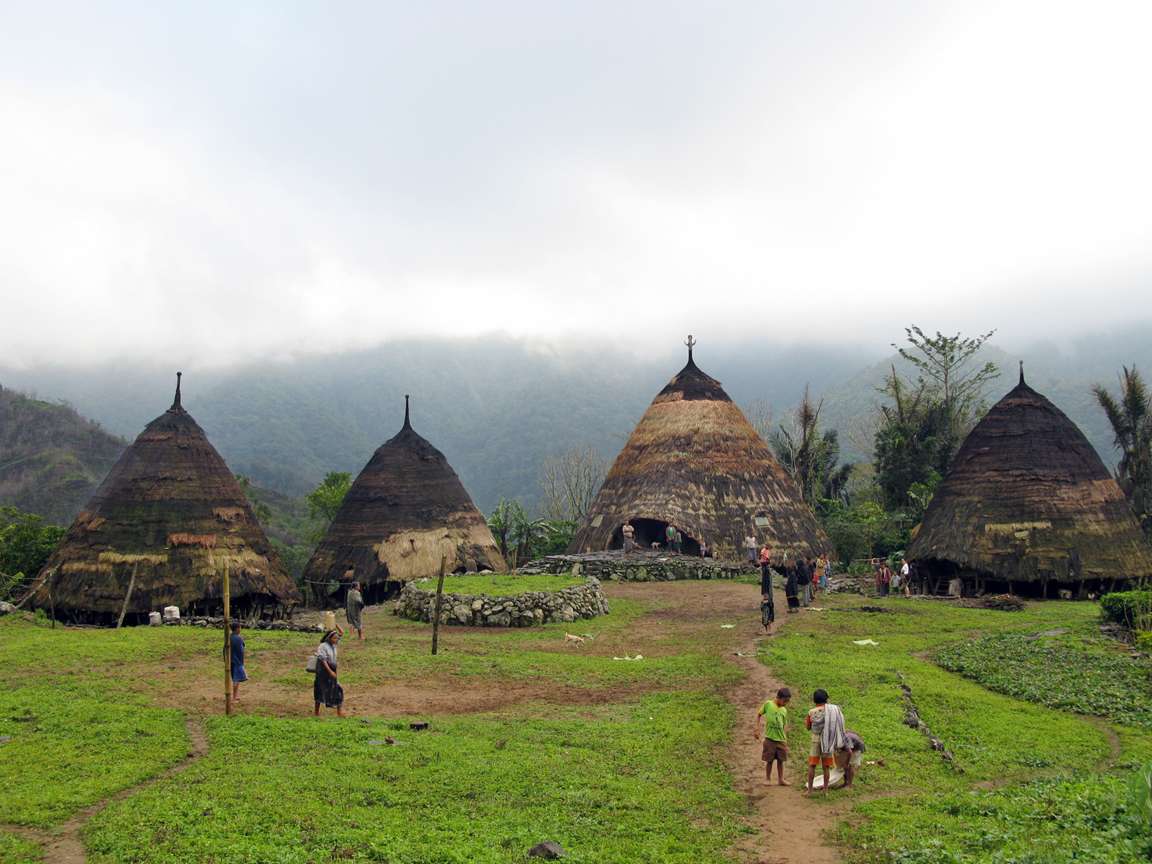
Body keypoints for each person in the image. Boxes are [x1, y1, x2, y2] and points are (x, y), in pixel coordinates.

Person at [805, 688, 847, 794]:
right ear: (826, 699)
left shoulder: (811, 712)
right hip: (828, 740)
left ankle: (809, 790)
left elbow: (808, 727)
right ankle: (825, 790)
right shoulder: (833, 710)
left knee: (812, 765)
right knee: (826, 767)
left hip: (815, 740)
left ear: (814, 700)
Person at [754, 687, 792, 786]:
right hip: (770, 739)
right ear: (779, 697)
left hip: (781, 740)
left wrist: (785, 738)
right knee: (769, 760)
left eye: (787, 702)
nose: (785, 703)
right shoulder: (768, 704)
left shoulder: (784, 710)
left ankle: (781, 779)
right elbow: (759, 714)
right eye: (785, 701)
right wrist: (757, 729)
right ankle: (767, 778)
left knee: (781, 760)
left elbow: (784, 725)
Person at [313, 626, 346, 717]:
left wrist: (335, 624)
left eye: (337, 638)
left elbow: (342, 633)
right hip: (323, 671)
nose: (337, 639)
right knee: (320, 690)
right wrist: (330, 672)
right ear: (329, 638)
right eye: (335, 638)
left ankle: (339, 712)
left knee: (338, 689)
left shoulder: (334, 644)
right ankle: (316, 712)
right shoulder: (323, 646)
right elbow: (323, 660)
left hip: (332, 669)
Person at [228, 621, 247, 704]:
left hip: (231, 661)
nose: (240, 629)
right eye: (240, 627)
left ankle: (235, 696)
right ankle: (234, 698)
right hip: (237, 661)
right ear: (237, 629)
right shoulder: (238, 638)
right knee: (236, 679)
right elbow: (241, 649)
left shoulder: (229, 637)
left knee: (236, 679)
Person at [758, 545, 775, 632]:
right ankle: (767, 627)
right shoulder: (766, 572)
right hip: (768, 593)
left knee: (767, 612)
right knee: (767, 611)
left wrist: (765, 594)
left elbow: (766, 585)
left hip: (767, 594)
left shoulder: (766, 573)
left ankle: (768, 628)